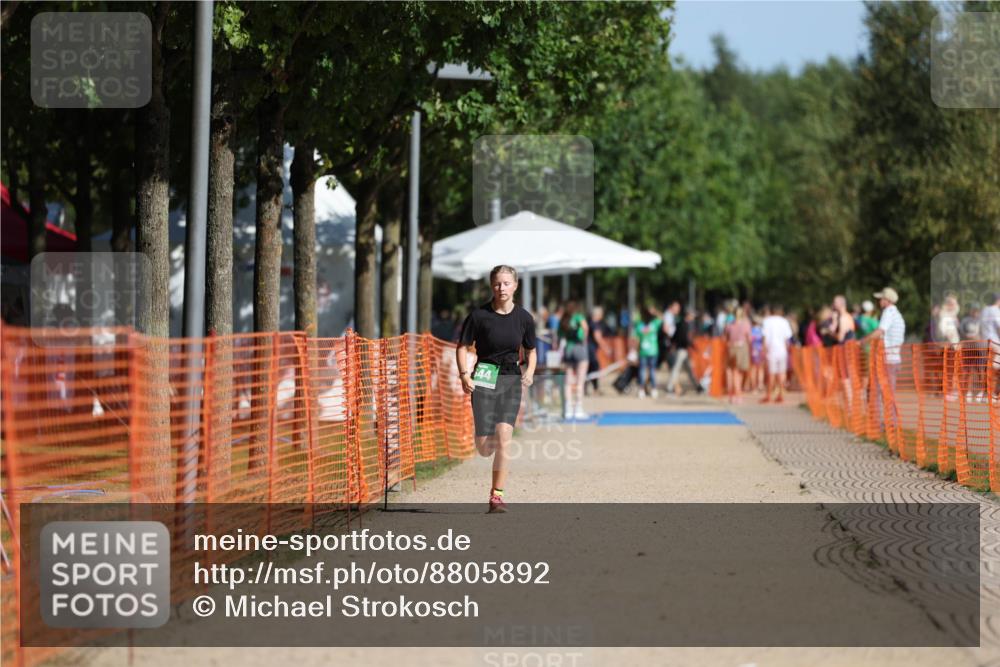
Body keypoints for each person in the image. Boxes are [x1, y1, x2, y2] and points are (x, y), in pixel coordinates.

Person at [456, 265, 537, 514]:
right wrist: (464, 375)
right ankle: (485, 438)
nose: (502, 288)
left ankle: (497, 495)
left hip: (510, 378)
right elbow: (462, 347)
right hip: (484, 377)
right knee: (484, 448)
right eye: (497, 283)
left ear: (515, 286)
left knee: (504, 436)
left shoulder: (524, 318)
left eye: (506, 283)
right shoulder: (479, 316)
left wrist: (530, 372)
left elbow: (531, 351)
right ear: (492, 286)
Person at [863, 287, 905, 426]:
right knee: (887, 392)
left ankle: (881, 423)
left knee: (878, 390)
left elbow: (880, 331)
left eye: (881, 298)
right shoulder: (897, 314)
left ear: (887, 300)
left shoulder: (888, 312)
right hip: (894, 359)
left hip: (887, 359)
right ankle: (890, 423)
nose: (879, 301)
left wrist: (862, 341)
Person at [559, 300, 590, 420]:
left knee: (568, 381)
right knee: (580, 381)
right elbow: (585, 327)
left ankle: (568, 409)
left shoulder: (563, 319)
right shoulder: (578, 317)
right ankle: (578, 408)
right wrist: (584, 339)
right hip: (579, 348)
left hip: (568, 349)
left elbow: (559, 335)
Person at [760, 304, 793, 404]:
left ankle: (769, 395)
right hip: (782, 350)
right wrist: (787, 349)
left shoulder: (767, 321)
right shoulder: (784, 321)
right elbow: (787, 338)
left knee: (771, 373)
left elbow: (764, 337)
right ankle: (780, 395)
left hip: (771, 350)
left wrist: (764, 350)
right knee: (782, 373)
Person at [667, 308, 703, 396]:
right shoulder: (684, 325)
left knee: (689, 369)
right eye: (692, 315)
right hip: (682, 350)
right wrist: (693, 346)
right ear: (688, 315)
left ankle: (698, 386)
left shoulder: (680, 324)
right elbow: (684, 339)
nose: (693, 317)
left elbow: (674, 337)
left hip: (683, 350)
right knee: (676, 369)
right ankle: (670, 387)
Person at [724, 306, 752, 403]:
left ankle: (733, 394)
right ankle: (737, 394)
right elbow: (749, 339)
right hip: (742, 348)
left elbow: (726, 337)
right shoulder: (746, 324)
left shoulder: (729, 325)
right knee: (737, 372)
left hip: (732, 348)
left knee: (733, 371)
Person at [633, 305, 662, 398]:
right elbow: (661, 317)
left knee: (642, 370)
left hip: (643, 351)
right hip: (653, 351)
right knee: (652, 370)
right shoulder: (654, 325)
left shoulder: (639, 326)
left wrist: (634, 351)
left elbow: (636, 340)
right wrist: (655, 311)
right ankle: (654, 389)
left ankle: (641, 389)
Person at [977, 293, 1000, 402]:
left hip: (983, 342)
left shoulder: (984, 310)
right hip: (994, 342)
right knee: (994, 368)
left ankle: (984, 394)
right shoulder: (995, 310)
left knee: (986, 368)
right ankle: (993, 394)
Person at [586, 306, 612, 395]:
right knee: (594, 368)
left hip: (586, 349)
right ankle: (594, 388)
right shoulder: (595, 324)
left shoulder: (588, 322)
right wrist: (606, 348)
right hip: (590, 350)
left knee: (588, 368)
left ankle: (589, 388)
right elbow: (598, 337)